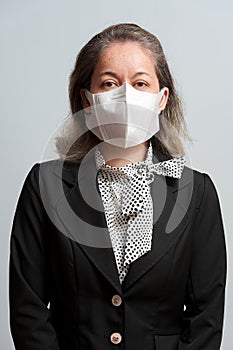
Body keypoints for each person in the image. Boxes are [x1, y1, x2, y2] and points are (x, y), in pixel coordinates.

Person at [9, 23, 227, 350]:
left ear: (161, 99)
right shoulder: (44, 186)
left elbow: (205, 318)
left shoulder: (197, 194)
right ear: (87, 99)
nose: (127, 94)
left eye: (141, 83)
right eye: (109, 83)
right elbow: (28, 309)